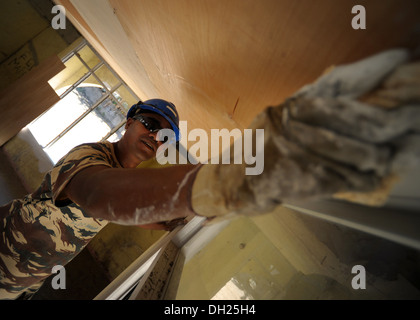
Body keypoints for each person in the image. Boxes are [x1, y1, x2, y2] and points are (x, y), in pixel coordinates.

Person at [0, 99, 200, 299]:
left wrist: (165, 221)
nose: (156, 136)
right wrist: (197, 183)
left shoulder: (124, 177)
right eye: (150, 124)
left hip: (29, 277)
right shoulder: (90, 154)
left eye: (166, 136)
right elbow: (99, 194)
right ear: (129, 123)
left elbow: (124, 204)